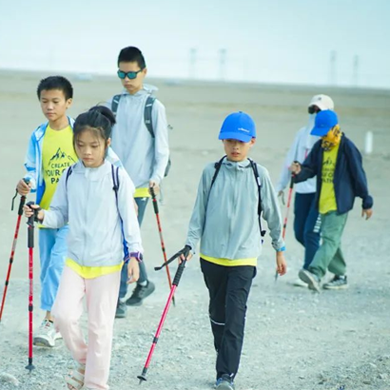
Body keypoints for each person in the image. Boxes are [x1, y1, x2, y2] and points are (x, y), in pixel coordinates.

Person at [25, 106, 142, 390]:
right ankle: (84, 359)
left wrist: (134, 255)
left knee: (100, 329)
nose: (86, 151)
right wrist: (41, 214)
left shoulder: (117, 178)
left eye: (93, 145)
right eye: (80, 145)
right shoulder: (69, 175)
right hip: (75, 261)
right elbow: (60, 215)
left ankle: (94, 384)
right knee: (63, 316)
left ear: (107, 144)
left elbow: (130, 219)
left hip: (107, 264)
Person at [181, 112, 287, 390]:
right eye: (229, 141)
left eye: (240, 141)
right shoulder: (211, 171)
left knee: (235, 315)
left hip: (244, 256)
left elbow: (273, 216)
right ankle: (224, 356)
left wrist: (279, 248)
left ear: (252, 141)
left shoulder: (259, 174)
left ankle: (226, 374)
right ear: (223, 142)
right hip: (211, 256)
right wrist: (190, 244)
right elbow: (198, 213)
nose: (235, 147)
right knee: (218, 313)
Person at [106, 46, 170, 317]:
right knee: (121, 236)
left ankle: (118, 299)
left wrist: (156, 178)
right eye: (121, 73)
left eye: (132, 73)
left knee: (123, 236)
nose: (126, 79)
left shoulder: (154, 106)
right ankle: (143, 283)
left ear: (144, 72)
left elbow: (162, 149)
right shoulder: (114, 102)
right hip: (114, 182)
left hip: (141, 186)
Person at [16, 76, 76, 347]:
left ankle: (51, 322)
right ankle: (62, 317)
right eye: (44, 101)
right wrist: (25, 183)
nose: (49, 107)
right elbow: (32, 168)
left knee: (57, 266)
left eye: (55, 101)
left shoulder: (80, 132)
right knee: (47, 269)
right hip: (43, 212)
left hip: (73, 215)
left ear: (68, 103)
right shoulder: (38, 135)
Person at [290, 110, 373, 292]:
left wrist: (367, 201)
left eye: (325, 132)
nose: (323, 136)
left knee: (329, 238)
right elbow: (309, 169)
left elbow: (359, 175)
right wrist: (297, 174)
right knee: (332, 239)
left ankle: (315, 272)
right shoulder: (320, 147)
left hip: (339, 204)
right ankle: (340, 275)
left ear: (335, 128)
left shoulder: (347, 148)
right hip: (321, 202)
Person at [276, 94, 334, 286]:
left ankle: (310, 272)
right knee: (300, 232)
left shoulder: (329, 137)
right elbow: (289, 160)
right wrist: (281, 185)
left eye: (319, 110)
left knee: (311, 233)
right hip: (301, 189)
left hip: (320, 192)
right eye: (312, 110)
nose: (315, 113)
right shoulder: (302, 133)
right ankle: (328, 260)